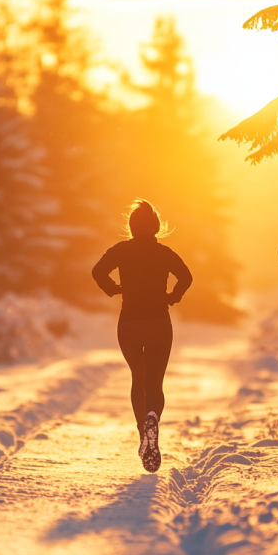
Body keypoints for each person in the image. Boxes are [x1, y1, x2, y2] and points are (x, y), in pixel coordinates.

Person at [92, 200, 192, 472]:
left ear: (132, 227)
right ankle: (153, 419)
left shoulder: (121, 250)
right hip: (159, 322)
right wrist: (172, 296)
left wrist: (113, 289)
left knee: (139, 378)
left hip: (130, 323)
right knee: (155, 382)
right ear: (156, 227)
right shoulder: (164, 253)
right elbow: (186, 277)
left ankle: (142, 432)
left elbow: (97, 272)